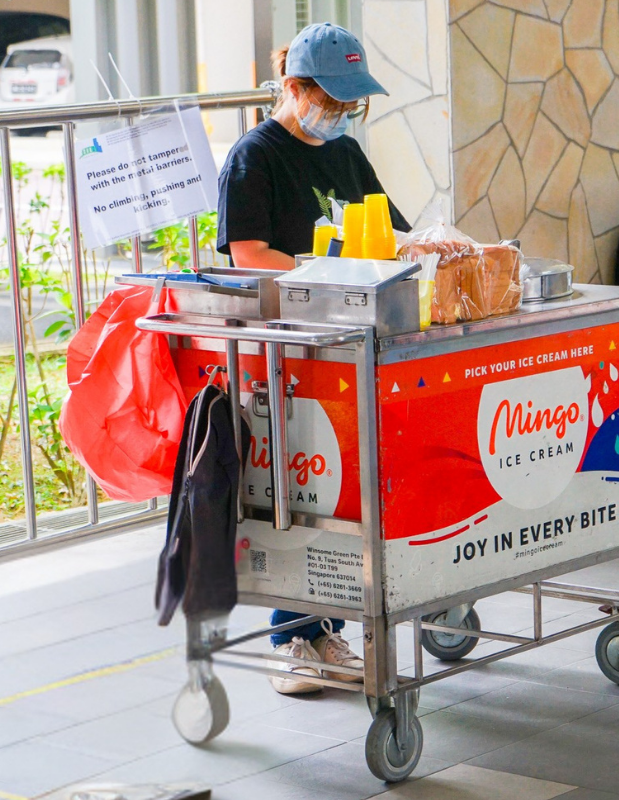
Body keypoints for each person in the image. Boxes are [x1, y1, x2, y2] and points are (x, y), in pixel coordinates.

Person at [216, 22, 410, 694]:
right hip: (291, 355)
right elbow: (248, 255)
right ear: (294, 88)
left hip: (353, 343)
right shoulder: (254, 157)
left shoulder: (346, 155)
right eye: (330, 100)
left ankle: (322, 629)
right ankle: (289, 638)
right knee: (303, 494)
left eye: (349, 104)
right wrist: (325, 270)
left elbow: (393, 230)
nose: (338, 114)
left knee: (349, 495)